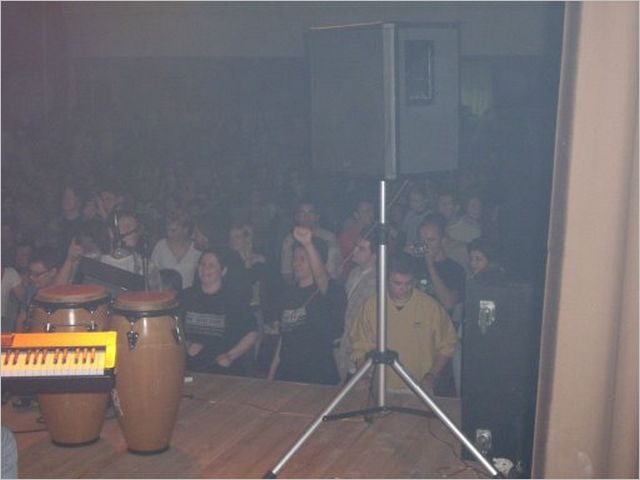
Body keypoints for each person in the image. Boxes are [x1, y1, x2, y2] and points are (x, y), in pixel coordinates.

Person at [349, 253, 457, 393]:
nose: (404, 288)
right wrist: (363, 376)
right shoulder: (371, 306)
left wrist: (432, 375)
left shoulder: (430, 307)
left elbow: (448, 344)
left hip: (419, 388)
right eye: (397, 283)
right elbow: (360, 345)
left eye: (409, 283)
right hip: (380, 387)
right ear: (386, 280)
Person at [269, 227, 346, 385]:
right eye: (295, 258)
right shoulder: (288, 294)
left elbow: (321, 278)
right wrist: (271, 373)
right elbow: (284, 338)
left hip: (318, 375)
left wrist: (308, 244)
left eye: (302, 259)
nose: (296, 263)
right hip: (287, 374)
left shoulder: (330, 291)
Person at [181, 247, 258, 375]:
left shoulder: (234, 299)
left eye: (211, 265)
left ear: (223, 270)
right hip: (192, 370)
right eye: (202, 264)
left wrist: (230, 356)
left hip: (226, 373)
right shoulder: (186, 297)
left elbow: (252, 333)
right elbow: (172, 328)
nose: (205, 269)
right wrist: (187, 344)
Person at [334, 234, 378, 383]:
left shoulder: (378, 281)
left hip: (361, 346)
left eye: (361, 249)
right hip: (346, 342)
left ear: (375, 255)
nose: (354, 251)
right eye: (355, 246)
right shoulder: (354, 273)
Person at [412, 214, 466, 313]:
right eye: (422, 240)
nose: (425, 245)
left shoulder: (455, 269)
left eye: (431, 240)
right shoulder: (413, 263)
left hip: (439, 320)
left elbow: (448, 303)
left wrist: (430, 265)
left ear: (443, 241)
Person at [280, 200, 343, 283]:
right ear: (296, 217)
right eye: (302, 213)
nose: (307, 217)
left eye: (311, 212)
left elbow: (335, 272)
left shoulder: (329, 238)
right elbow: (286, 273)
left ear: (317, 217)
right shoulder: (290, 240)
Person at [100, 209, 162, 290]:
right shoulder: (97, 262)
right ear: (111, 232)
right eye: (127, 226)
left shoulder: (148, 268)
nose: (133, 232)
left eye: (135, 227)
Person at [151, 209, 201, 288]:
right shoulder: (160, 246)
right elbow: (152, 274)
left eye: (173, 230)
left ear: (185, 229)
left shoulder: (196, 248)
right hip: (165, 293)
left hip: (189, 294)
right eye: (167, 230)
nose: (169, 233)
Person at [338, 198, 375, 278]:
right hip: (350, 277)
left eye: (372, 211)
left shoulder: (377, 234)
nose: (371, 215)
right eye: (367, 211)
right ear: (356, 215)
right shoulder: (348, 235)